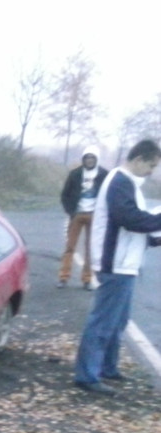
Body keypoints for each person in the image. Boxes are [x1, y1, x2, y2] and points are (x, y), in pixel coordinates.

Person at [74, 139, 161, 395]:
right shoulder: (120, 182)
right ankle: (87, 375)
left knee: (117, 321)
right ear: (139, 159)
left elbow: (137, 225)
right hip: (115, 264)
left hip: (126, 264)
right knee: (103, 321)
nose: (151, 171)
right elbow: (130, 219)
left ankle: (107, 367)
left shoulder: (128, 183)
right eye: (151, 165)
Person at [58, 146, 108, 289]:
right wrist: (71, 211)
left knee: (90, 248)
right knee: (70, 246)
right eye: (87, 158)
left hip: (95, 216)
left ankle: (87, 279)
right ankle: (63, 277)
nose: (90, 160)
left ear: (96, 159)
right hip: (77, 214)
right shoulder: (75, 174)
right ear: (83, 159)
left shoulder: (104, 175)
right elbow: (65, 195)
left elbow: (109, 195)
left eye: (92, 158)